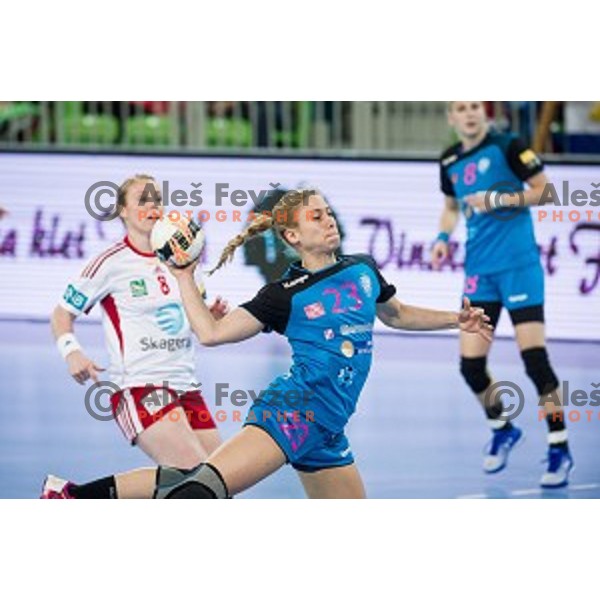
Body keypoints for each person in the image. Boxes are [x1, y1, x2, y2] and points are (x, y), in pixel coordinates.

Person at [45, 188, 492, 499]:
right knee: (200, 491)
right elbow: (212, 333)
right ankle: (73, 497)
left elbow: (397, 313)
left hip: (329, 426)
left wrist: (457, 319)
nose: (328, 219)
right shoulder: (283, 293)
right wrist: (183, 277)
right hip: (293, 412)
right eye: (315, 216)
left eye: (328, 212)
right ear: (293, 237)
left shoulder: (363, 269)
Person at [41, 174, 227, 499]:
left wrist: (209, 316)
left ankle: (70, 496)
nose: (152, 205)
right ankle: (74, 498)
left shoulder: (181, 259)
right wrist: (71, 351)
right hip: (141, 386)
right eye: (142, 199)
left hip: (186, 386)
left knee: (221, 483)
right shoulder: (110, 263)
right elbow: (61, 313)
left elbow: (193, 321)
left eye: (157, 199)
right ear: (123, 211)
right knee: (194, 475)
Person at [431, 101, 573, 488]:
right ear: (451, 117)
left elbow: (545, 192)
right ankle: (502, 427)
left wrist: (498, 199)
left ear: (485, 112)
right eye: (461, 107)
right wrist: (443, 237)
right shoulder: (448, 160)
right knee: (471, 367)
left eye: (476, 105)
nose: (470, 113)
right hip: (479, 273)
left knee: (535, 361)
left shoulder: (509, 146)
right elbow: (450, 207)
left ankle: (559, 445)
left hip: (519, 267)